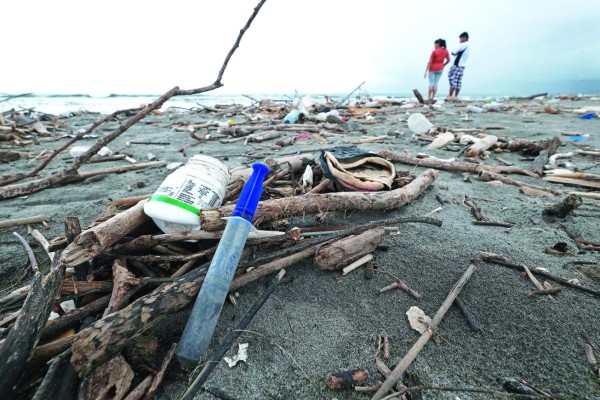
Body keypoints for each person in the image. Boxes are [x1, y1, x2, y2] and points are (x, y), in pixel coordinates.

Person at [424, 39, 450, 104]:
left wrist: (425, 71)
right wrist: (443, 65)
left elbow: (430, 62)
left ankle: (429, 98)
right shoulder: (446, 51)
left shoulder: (434, 51)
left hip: (432, 69)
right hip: (440, 68)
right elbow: (448, 60)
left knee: (431, 84)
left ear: (438, 44)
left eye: (435, 44)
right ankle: (432, 98)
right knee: (436, 84)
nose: (434, 46)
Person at [448, 32, 470, 99]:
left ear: (465, 38)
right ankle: (455, 96)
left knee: (453, 81)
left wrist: (453, 52)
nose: (460, 40)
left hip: (457, 65)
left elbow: (454, 52)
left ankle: (450, 96)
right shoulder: (468, 45)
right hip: (462, 65)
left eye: (461, 38)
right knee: (458, 81)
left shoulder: (463, 44)